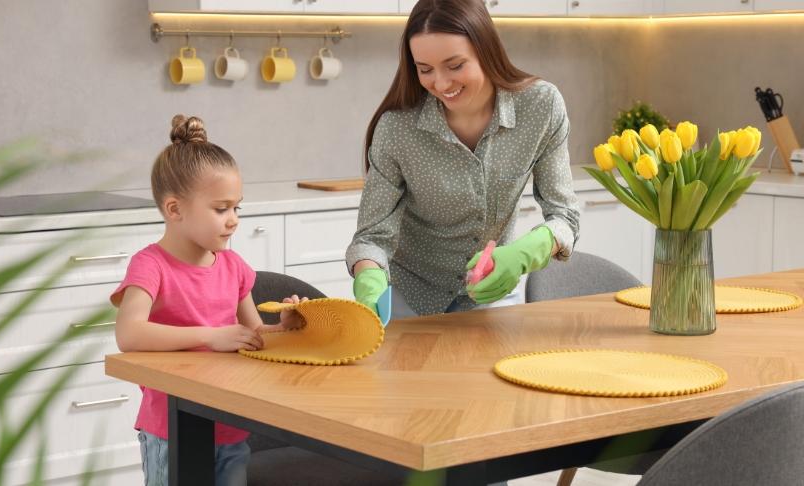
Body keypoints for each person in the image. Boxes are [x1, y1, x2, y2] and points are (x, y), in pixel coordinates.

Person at [346, 0, 580, 318]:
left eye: (455, 65)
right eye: (424, 69)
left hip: (492, 291)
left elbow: (564, 216)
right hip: (410, 296)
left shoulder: (540, 107)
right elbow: (372, 236)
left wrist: (525, 253)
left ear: (486, 50)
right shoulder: (397, 128)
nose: (440, 84)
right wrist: (369, 277)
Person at [111, 114, 307, 486]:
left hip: (230, 429)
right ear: (174, 209)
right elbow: (129, 334)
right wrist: (210, 335)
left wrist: (284, 328)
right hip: (173, 430)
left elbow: (254, 338)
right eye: (221, 209)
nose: (233, 220)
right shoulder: (150, 265)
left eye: (237, 208)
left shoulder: (234, 267)